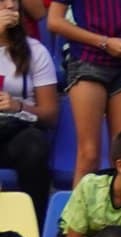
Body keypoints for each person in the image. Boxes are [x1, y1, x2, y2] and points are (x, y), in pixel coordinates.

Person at [47, 0, 121, 187]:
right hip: (87, 61)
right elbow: (54, 21)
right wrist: (104, 42)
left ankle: (118, 215)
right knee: (89, 155)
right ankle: (77, 216)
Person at [0, 0, 58, 225]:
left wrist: (18, 106)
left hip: (17, 132)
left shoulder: (35, 51)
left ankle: (33, 227)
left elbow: (50, 115)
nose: (10, 5)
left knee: (34, 144)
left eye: (13, 1)